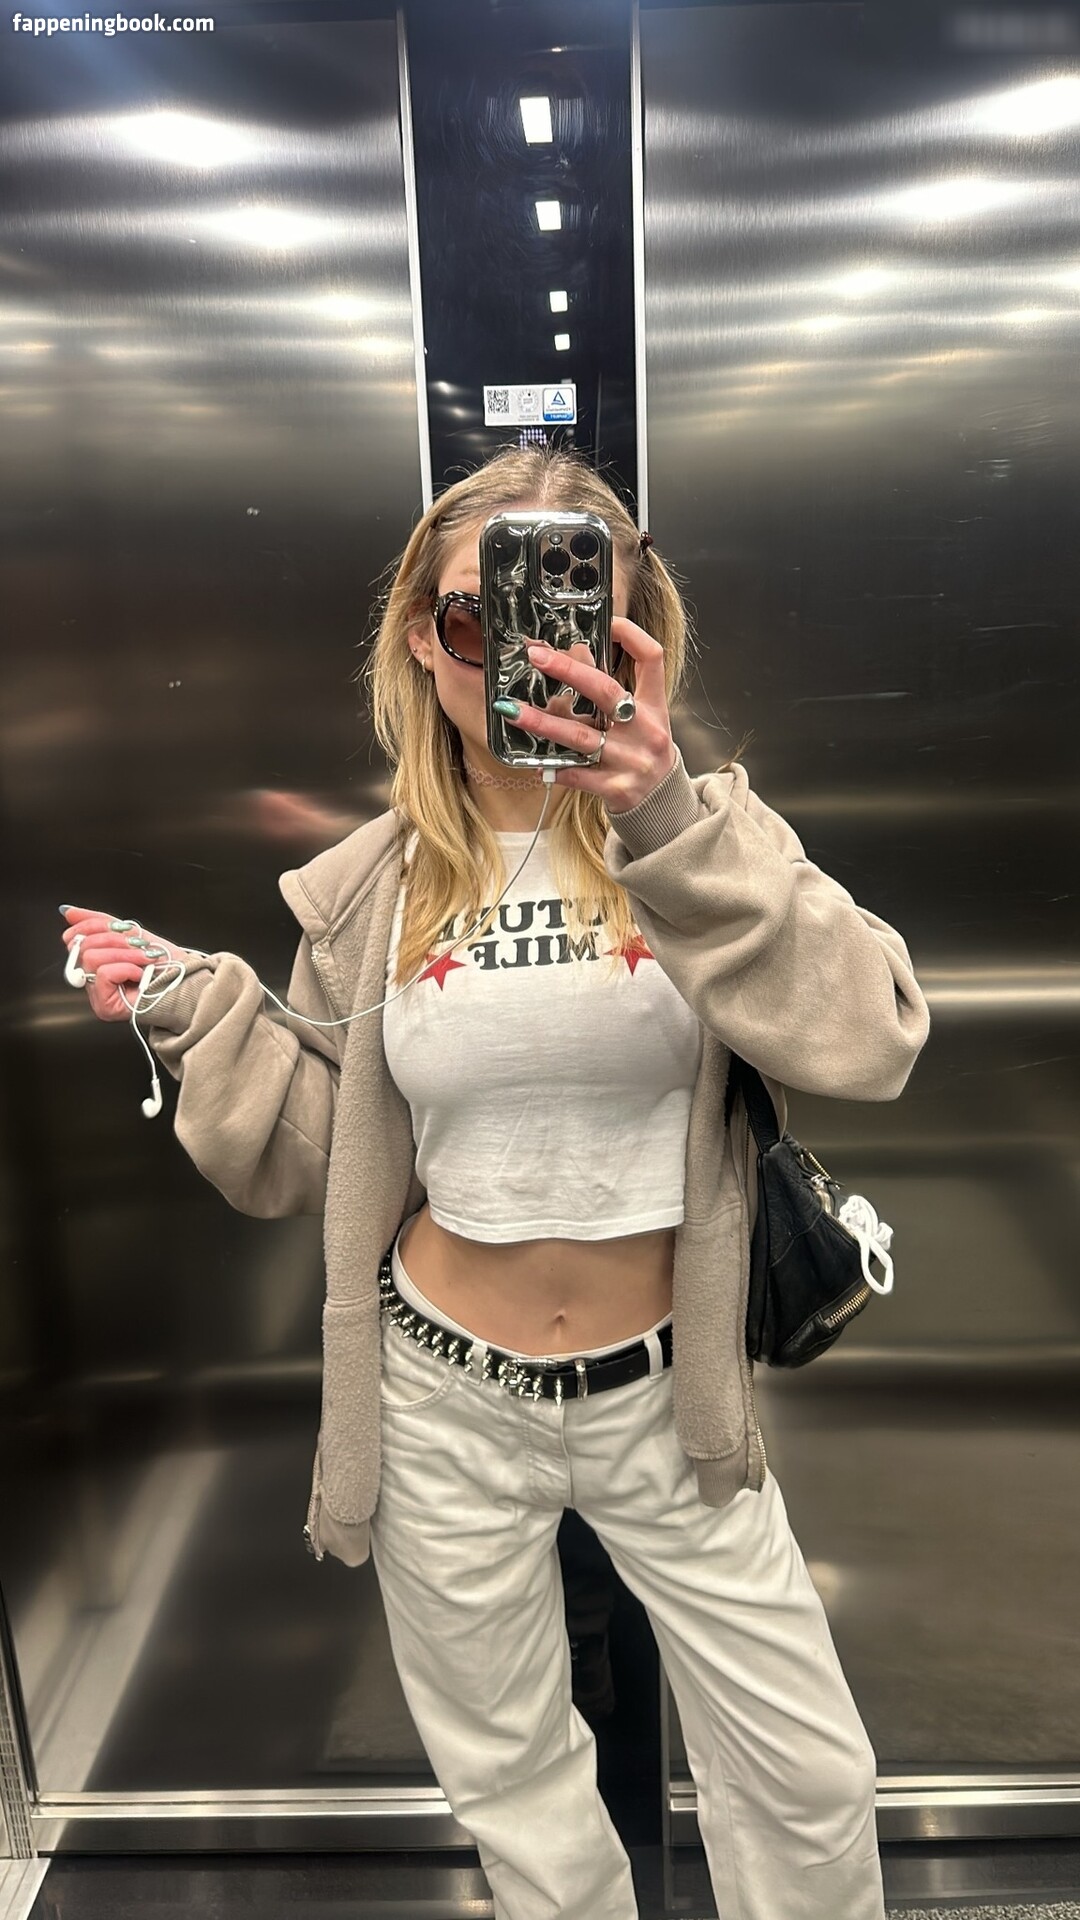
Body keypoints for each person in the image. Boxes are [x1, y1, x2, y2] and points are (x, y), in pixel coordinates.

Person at [61, 446, 929, 1920]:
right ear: (423, 639)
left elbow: (873, 1038)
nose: (520, 652)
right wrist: (197, 1012)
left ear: (631, 630)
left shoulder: (711, 832)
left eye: (570, 613)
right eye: (475, 619)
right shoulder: (371, 885)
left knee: (807, 1777)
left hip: (671, 1395)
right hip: (442, 1399)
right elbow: (321, 1154)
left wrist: (664, 814)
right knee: (517, 1783)